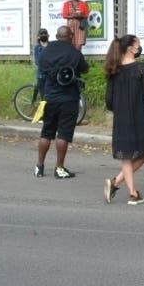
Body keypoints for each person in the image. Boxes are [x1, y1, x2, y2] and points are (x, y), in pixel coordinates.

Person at [104, 34, 144, 205]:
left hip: (121, 117)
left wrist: (120, 109)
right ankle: (130, 191)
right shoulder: (141, 68)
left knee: (126, 156)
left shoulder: (114, 70)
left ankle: (120, 185)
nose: (139, 48)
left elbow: (109, 100)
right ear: (130, 48)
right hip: (140, 116)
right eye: (138, 45)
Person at [35, 25, 89, 178]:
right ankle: (59, 169)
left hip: (50, 97)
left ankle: (39, 167)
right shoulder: (75, 53)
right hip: (69, 99)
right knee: (63, 135)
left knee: (46, 133)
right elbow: (85, 69)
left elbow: (41, 67)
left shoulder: (47, 51)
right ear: (71, 36)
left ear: (57, 36)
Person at [33, 27, 50, 96]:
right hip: (41, 73)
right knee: (42, 93)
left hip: (51, 73)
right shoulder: (37, 48)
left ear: (48, 35)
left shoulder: (51, 46)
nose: (43, 35)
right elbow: (37, 61)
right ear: (38, 37)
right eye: (41, 34)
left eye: (45, 34)